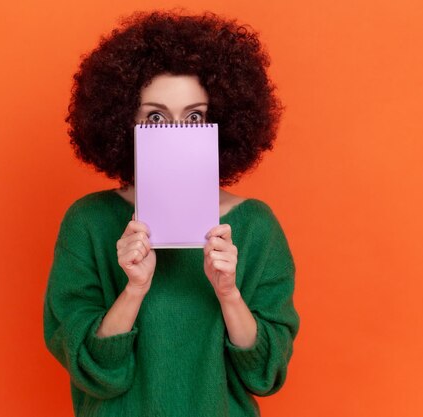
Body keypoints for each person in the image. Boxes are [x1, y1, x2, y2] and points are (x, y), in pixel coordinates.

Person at [43, 11, 300, 417]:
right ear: (126, 124)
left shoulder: (255, 228)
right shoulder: (88, 223)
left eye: (195, 116)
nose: (177, 132)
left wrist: (228, 293)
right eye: (156, 117)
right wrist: (133, 289)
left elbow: (264, 375)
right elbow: (93, 371)